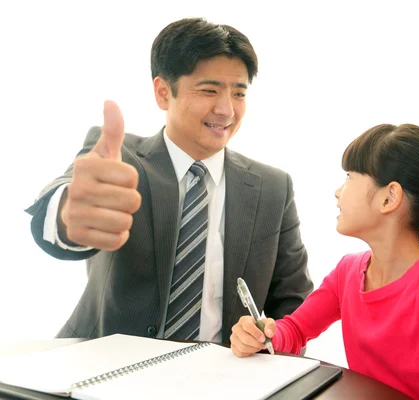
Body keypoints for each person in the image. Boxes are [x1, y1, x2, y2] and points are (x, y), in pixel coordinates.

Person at [25, 17, 313, 343]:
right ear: (163, 93)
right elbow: (67, 200)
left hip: (222, 378)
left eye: (239, 93)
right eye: (209, 90)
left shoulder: (273, 187)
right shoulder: (121, 158)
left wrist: (271, 338)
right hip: (107, 370)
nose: (227, 110)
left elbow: (293, 299)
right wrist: (67, 212)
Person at [230, 123, 419, 399]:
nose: (337, 191)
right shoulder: (347, 272)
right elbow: (293, 331)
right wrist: (261, 335)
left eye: (349, 177)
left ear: (389, 198)